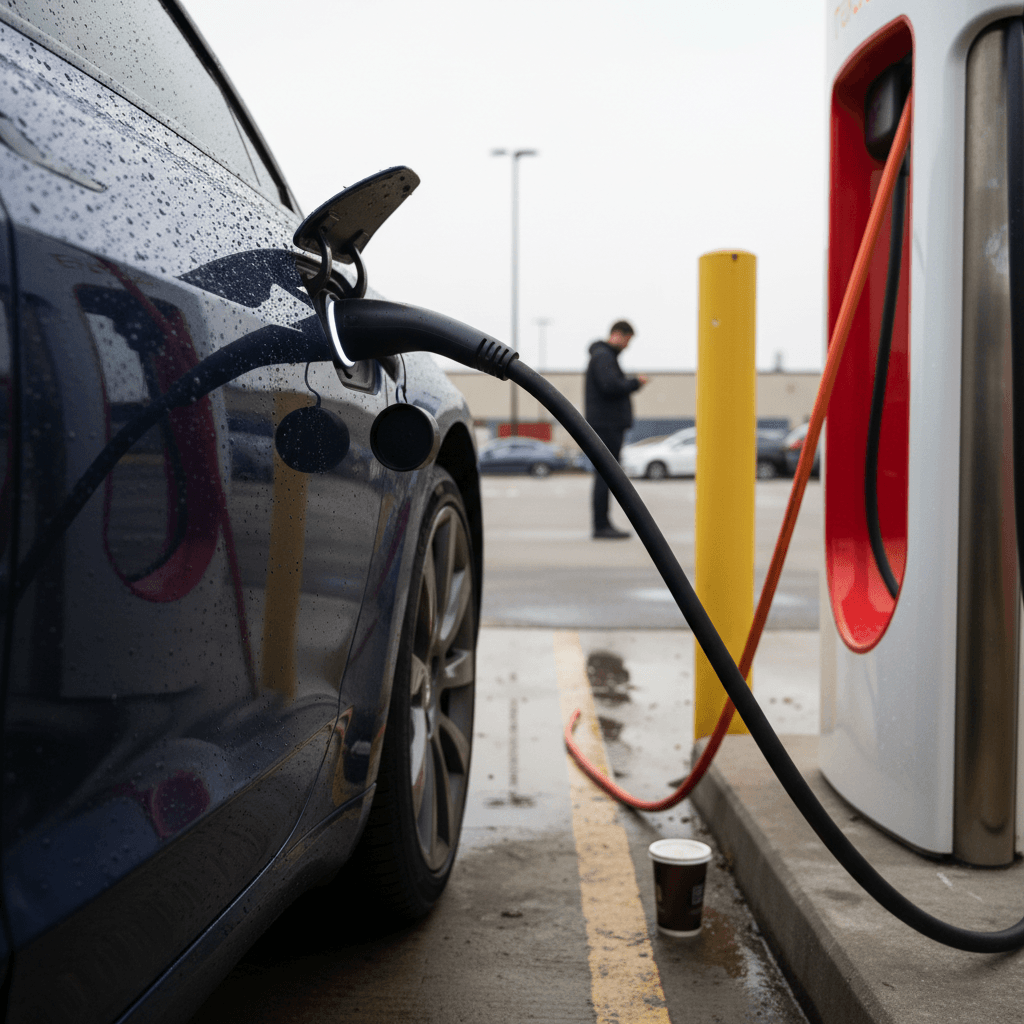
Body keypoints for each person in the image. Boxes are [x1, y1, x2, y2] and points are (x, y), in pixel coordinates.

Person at [584, 320, 648, 539]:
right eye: (627, 340)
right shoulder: (604, 356)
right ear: (617, 335)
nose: (627, 346)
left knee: (606, 475)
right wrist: (635, 383)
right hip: (606, 425)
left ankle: (602, 523)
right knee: (606, 475)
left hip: (606, 425)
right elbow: (610, 386)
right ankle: (601, 525)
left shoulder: (603, 356)